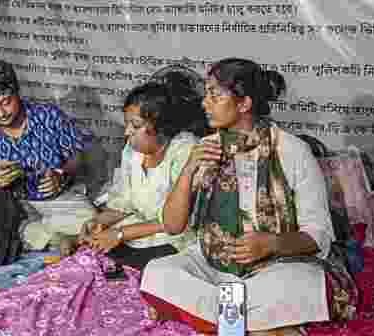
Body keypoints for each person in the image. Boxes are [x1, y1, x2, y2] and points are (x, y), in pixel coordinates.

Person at [140, 58, 353, 336]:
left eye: (214, 95)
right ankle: (252, 323)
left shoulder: (292, 151)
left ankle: (219, 318)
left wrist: (271, 244)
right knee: (157, 273)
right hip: (212, 264)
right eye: (206, 94)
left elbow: (319, 236)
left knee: (306, 284)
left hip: (277, 268)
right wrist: (190, 169)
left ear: (244, 104)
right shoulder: (205, 148)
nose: (204, 103)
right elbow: (172, 225)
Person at [78, 68, 208, 270]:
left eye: (135, 125)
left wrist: (121, 234)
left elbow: (176, 223)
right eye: (127, 123)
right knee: (90, 261)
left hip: (175, 242)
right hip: (136, 234)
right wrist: (99, 221)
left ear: (161, 127)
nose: (126, 132)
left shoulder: (185, 150)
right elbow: (124, 203)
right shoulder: (132, 150)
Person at [0, 60, 94, 253]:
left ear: (17, 92)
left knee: (90, 217)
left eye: (6, 102)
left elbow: (78, 156)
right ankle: (57, 237)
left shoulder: (49, 116)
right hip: (11, 208)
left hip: (53, 201)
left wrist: (60, 173)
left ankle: (44, 237)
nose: (0, 113)